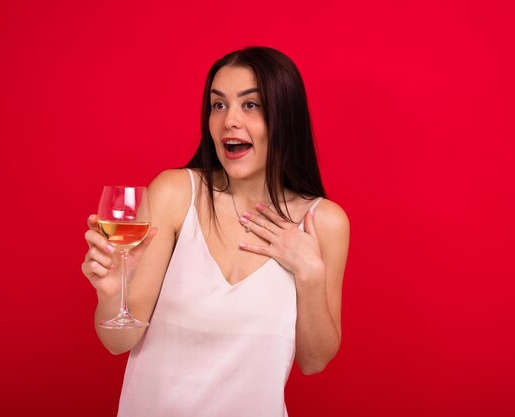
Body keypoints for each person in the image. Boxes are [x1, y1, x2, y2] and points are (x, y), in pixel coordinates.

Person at [82, 46, 350, 417]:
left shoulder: (324, 222)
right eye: (218, 105)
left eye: (251, 105)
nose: (229, 122)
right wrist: (113, 293)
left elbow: (314, 360)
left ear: (286, 117)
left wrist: (311, 273)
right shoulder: (176, 193)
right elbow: (118, 341)